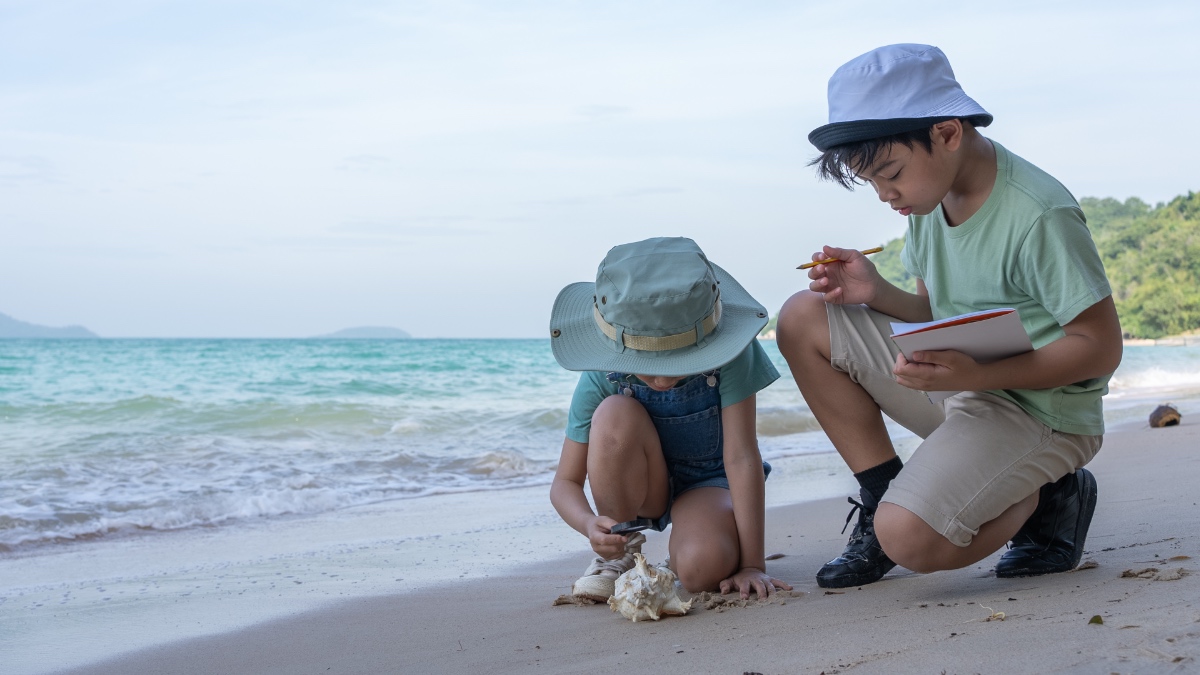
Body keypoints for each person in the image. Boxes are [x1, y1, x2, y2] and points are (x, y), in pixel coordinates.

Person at [776, 44, 1122, 589]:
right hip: (965, 385)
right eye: (871, 183)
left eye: (890, 173)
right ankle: (881, 495)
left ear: (947, 132)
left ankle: (1050, 494)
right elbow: (935, 314)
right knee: (802, 317)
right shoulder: (931, 195)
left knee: (910, 538)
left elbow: (1100, 348)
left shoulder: (1039, 213)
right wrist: (875, 291)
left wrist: (979, 377)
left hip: (1040, 411)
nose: (885, 196)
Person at [548, 236, 791, 601]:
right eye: (647, 365)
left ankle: (677, 558)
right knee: (614, 412)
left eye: (677, 363)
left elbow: (741, 456)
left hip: (709, 481)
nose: (661, 381)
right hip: (644, 486)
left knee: (700, 570)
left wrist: (753, 563)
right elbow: (565, 482)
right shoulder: (603, 372)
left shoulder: (732, 355)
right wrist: (588, 525)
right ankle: (621, 556)